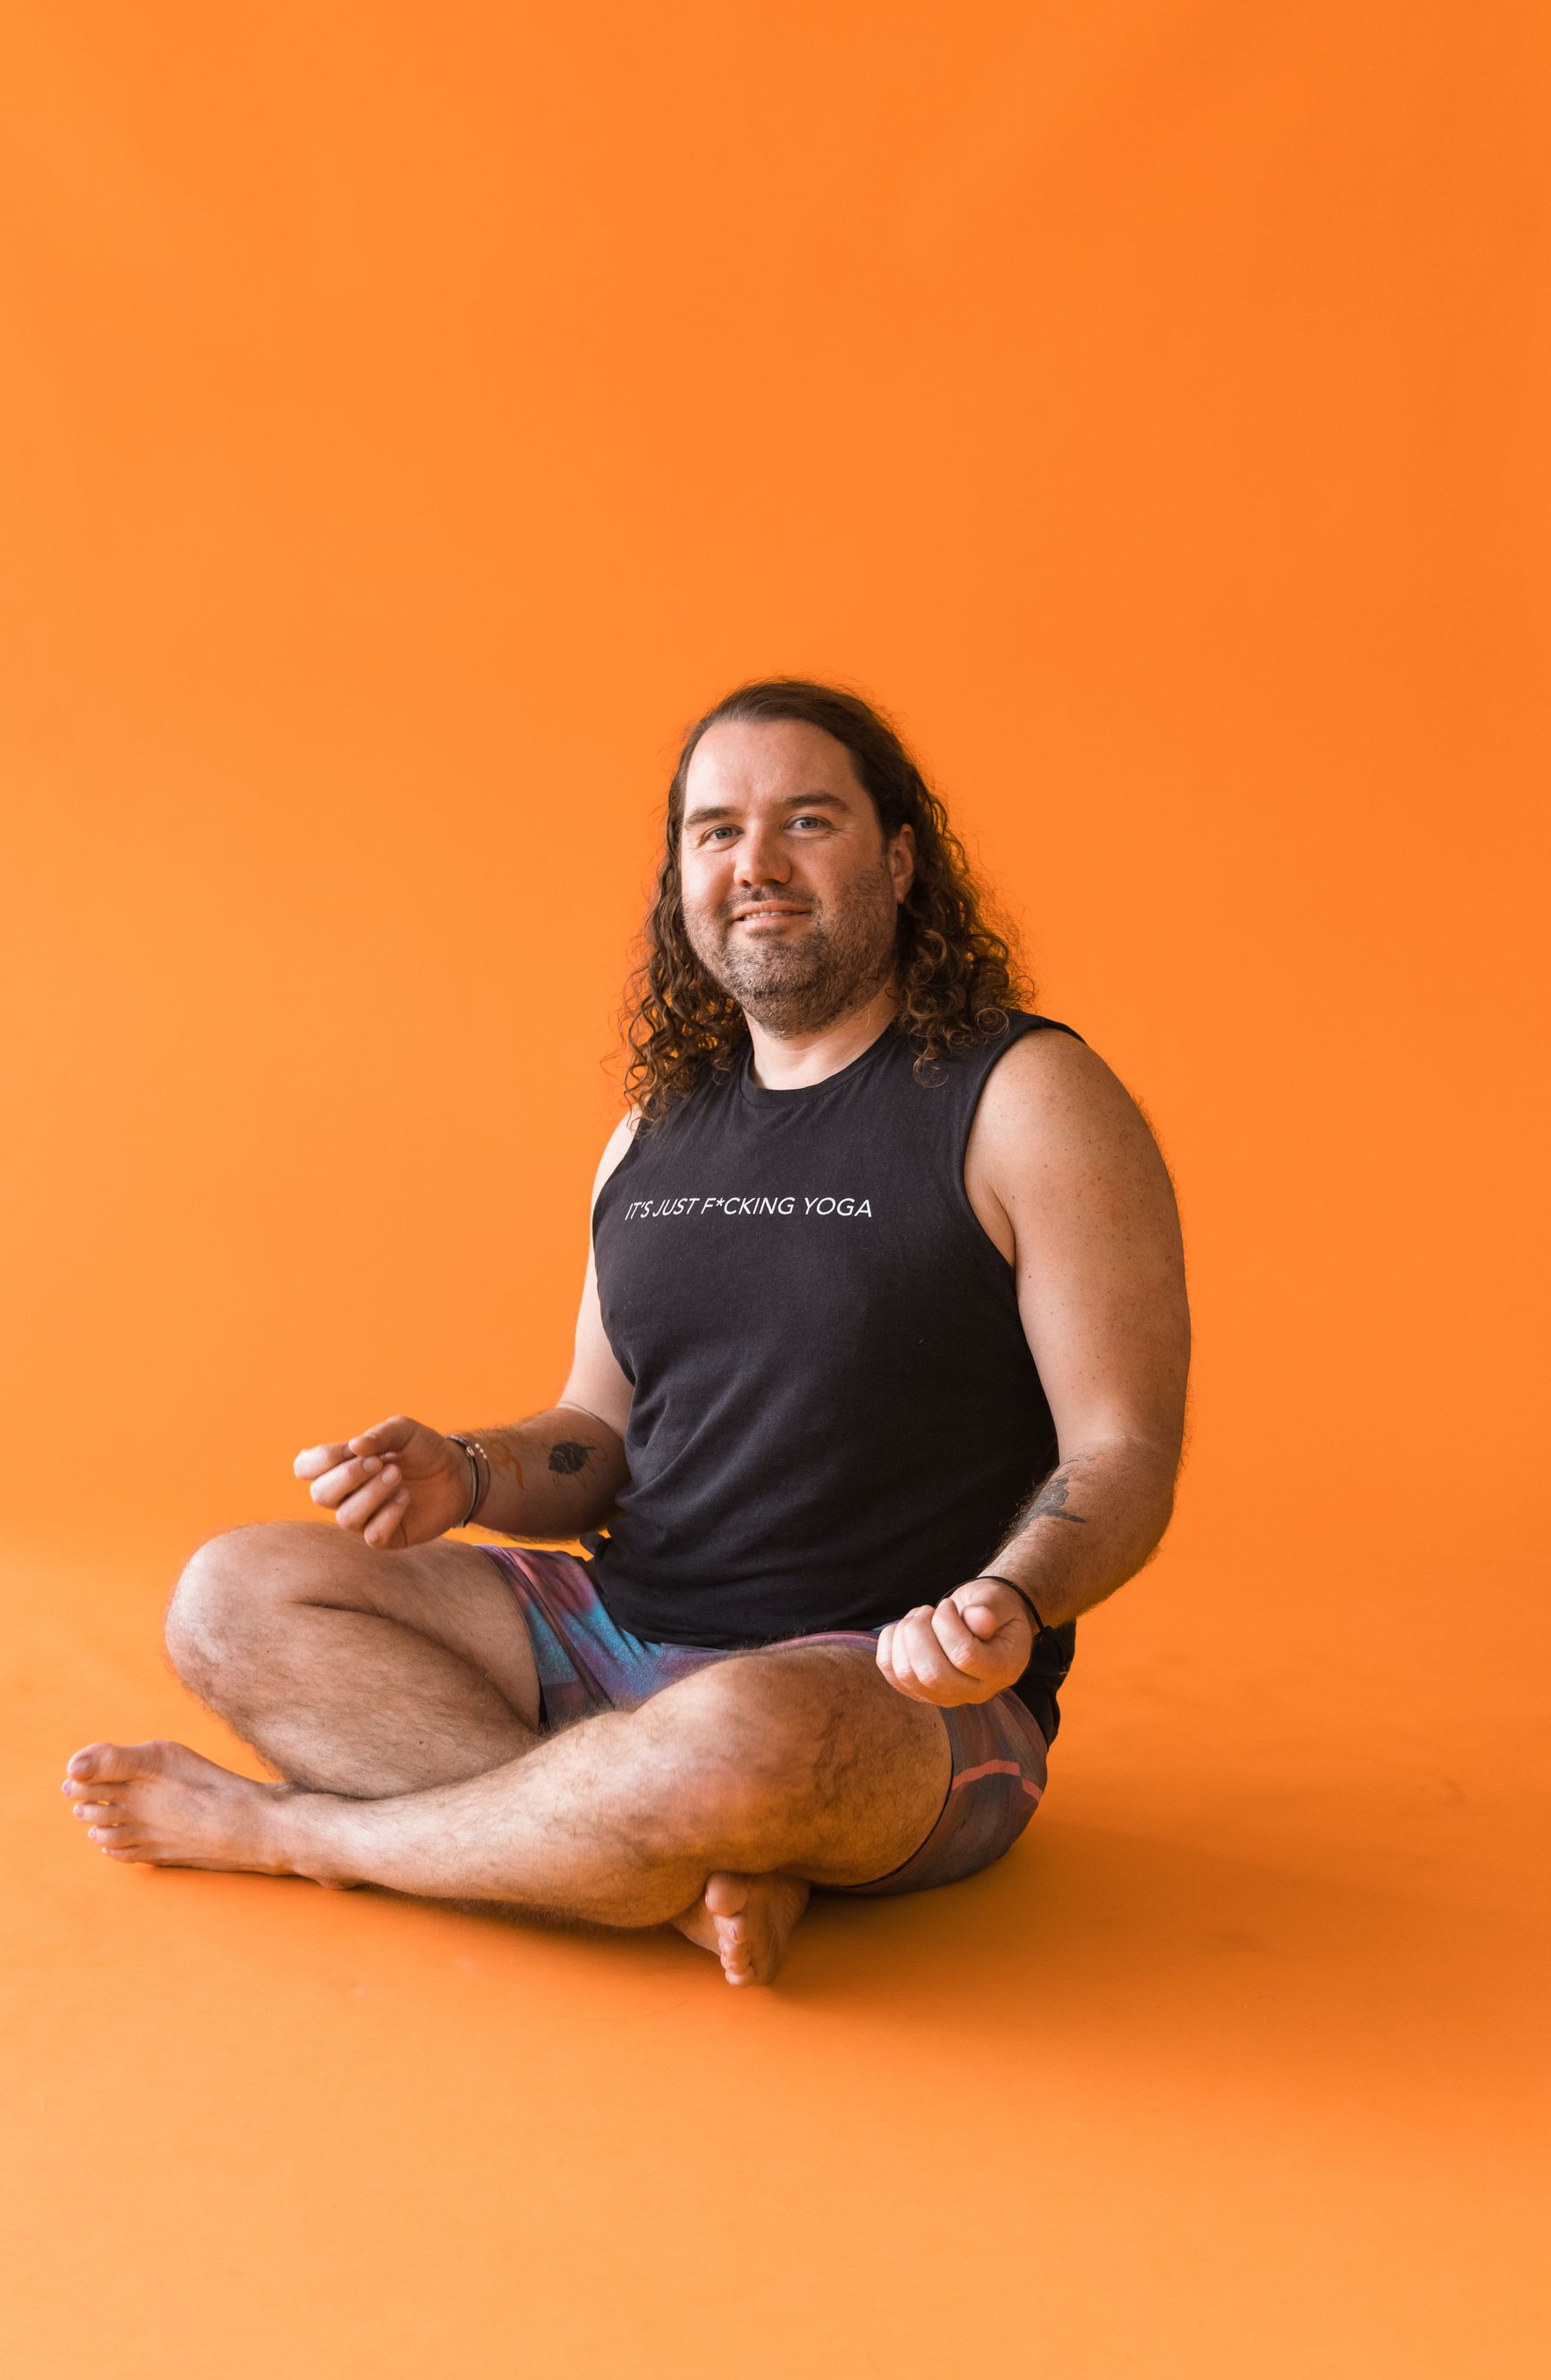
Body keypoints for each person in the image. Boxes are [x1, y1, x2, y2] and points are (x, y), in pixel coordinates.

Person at [62, 679, 1190, 1987]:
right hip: (618, 1630)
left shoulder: (1026, 1095)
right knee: (231, 1597)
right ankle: (649, 1868)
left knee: (732, 1743)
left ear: (897, 858)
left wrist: (1010, 1597)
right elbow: (598, 1437)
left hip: (877, 1686)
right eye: (714, 832)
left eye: (806, 820)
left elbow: (1123, 1448)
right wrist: (471, 1472)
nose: (754, 864)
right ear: (682, 876)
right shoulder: (655, 1133)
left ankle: (304, 1835)